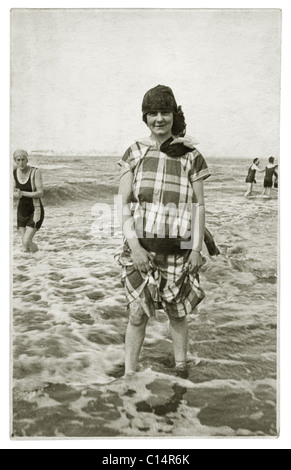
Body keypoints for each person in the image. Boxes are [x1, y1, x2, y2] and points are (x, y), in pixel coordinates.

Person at [117, 84, 211, 379]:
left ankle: (181, 369)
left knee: (178, 315)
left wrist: (196, 248)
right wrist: (135, 247)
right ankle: (130, 374)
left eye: (165, 112)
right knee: (136, 315)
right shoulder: (134, 152)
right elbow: (123, 205)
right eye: (153, 113)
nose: (159, 118)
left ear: (173, 114)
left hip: (178, 251)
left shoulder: (190, 155)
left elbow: (198, 206)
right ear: (145, 117)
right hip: (140, 249)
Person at [13, 149, 44, 252]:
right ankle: (30, 265)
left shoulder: (35, 172)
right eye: (18, 160)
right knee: (24, 247)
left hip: (35, 210)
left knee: (26, 241)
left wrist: (22, 193)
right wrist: (14, 194)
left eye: (23, 159)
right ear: (15, 161)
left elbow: (40, 193)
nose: (21, 163)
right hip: (21, 211)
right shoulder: (13, 173)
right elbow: (11, 191)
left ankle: (41, 257)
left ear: (27, 160)